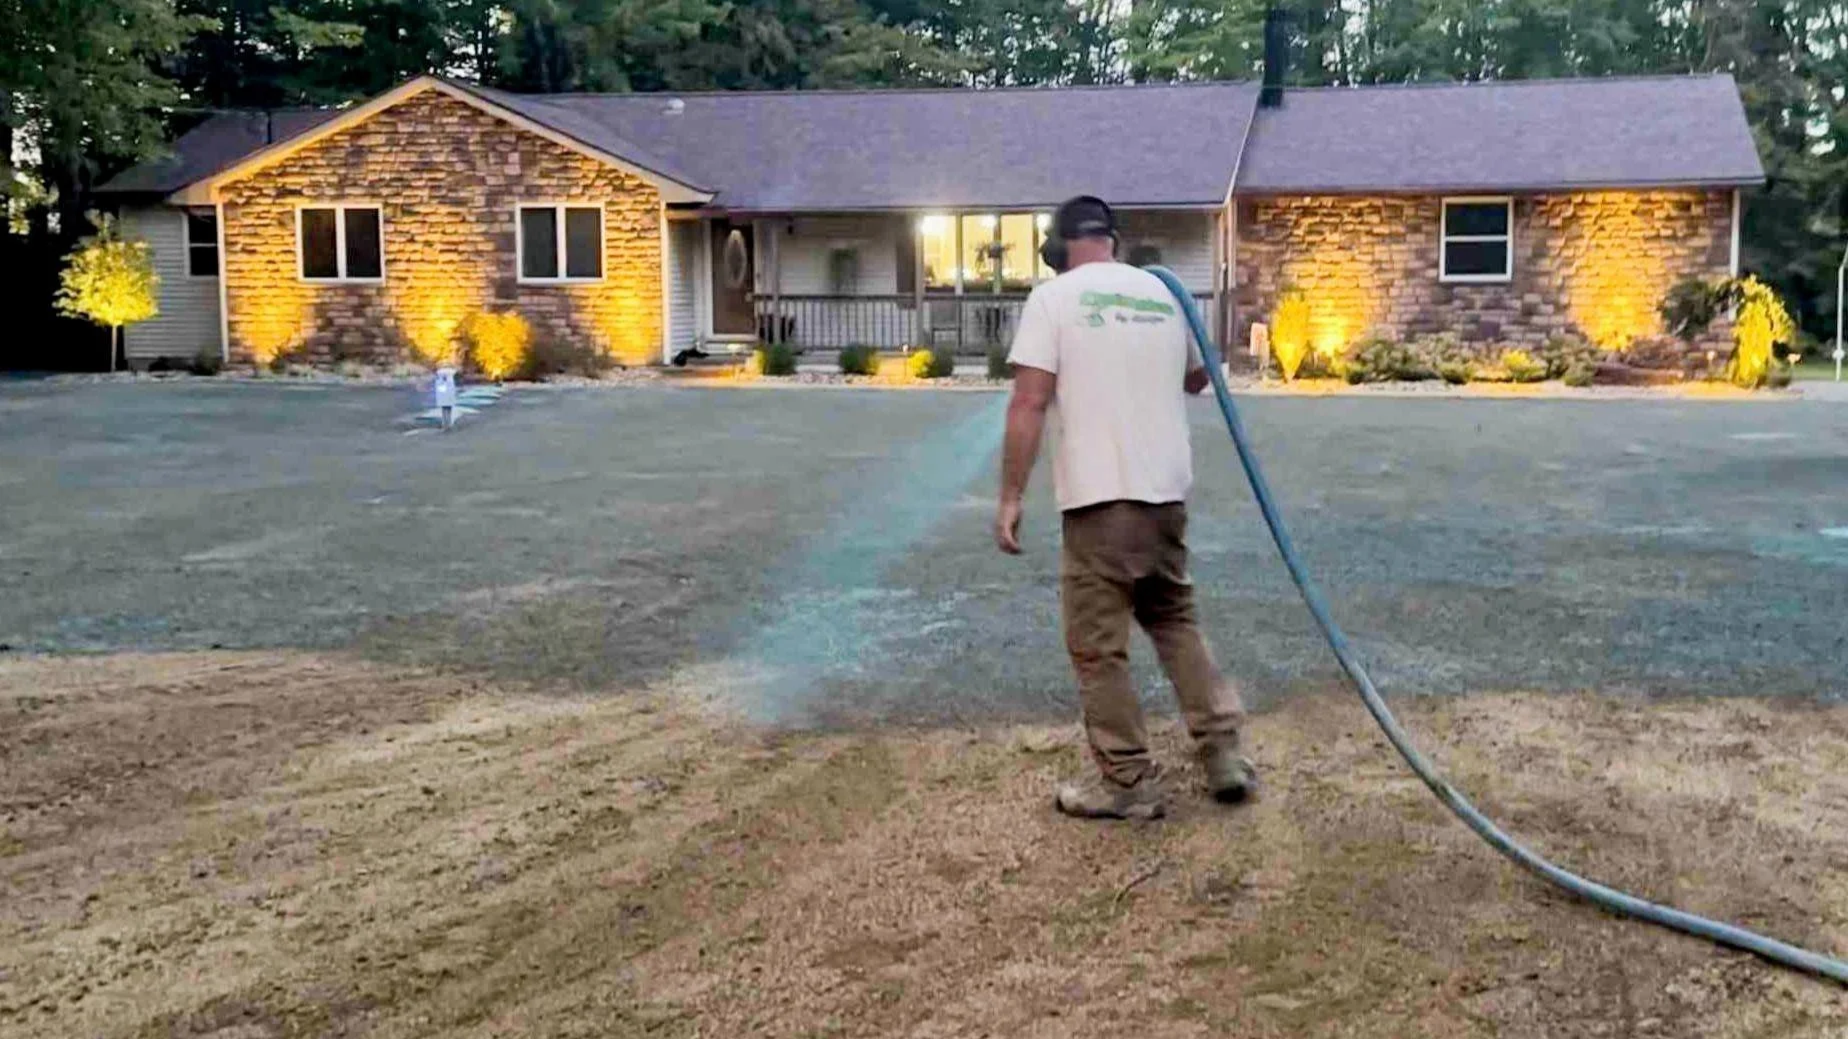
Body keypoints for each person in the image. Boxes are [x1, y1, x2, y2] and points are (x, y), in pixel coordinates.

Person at [995, 195, 1256, 820]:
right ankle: (1222, 755)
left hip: (1099, 499)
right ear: (1112, 240)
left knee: (1097, 645)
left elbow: (1030, 402)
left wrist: (1009, 496)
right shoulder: (1165, 294)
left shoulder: (1052, 300)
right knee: (1173, 619)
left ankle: (1128, 783)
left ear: (1059, 250)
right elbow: (1199, 378)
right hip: (1166, 495)